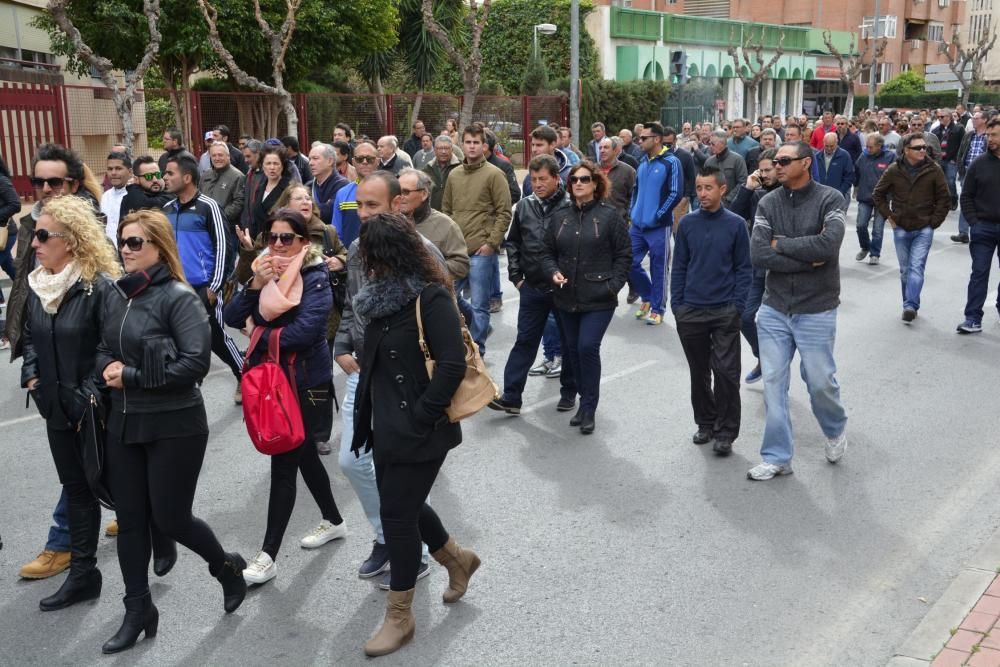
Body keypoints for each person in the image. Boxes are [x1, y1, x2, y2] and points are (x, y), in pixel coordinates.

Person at [97, 210, 247, 653]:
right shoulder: (117, 295)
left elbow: (194, 365)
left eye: (136, 242)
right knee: (131, 522)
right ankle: (138, 608)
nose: (126, 249)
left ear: (159, 248)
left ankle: (225, 567)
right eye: (123, 241)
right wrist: (106, 365)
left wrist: (134, 377)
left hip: (175, 423)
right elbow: (103, 346)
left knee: (171, 518)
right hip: (125, 421)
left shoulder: (180, 298)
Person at [348, 211, 479, 657]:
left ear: (387, 255)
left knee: (397, 517)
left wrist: (423, 417)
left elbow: (451, 365)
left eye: (370, 254)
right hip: (384, 425)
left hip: (423, 429)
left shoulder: (430, 298)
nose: (365, 261)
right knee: (403, 505)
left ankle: (399, 617)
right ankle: (458, 559)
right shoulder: (379, 301)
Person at [224, 208, 346, 585]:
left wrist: (258, 330)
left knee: (285, 457)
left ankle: (267, 555)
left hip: (310, 385)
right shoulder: (261, 269)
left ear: (303, 242)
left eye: (286, 238)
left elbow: (307, 331)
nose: (277, 245)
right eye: (271, 237)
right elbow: (230, 316)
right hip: (274, 382)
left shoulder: (315, 274)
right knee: (303, 451)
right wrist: (255, 287)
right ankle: (335, 521)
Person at [335, 172, 444, 587]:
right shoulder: (357, 250)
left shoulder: (423, 252)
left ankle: (413, 551)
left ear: (399, 204)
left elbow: (444, 320)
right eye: (359, 206)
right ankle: (387, 536)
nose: (362, 214)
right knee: (353, 461)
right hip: (363, 372)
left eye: (372, 206)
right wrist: (342, 347)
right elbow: (351, 306)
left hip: (406, 379)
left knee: (405, 471)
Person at [20, 196, 121, 613]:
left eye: (43, 236)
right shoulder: (39, 285)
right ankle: (84, 575)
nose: (34, 244)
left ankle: (162, 534)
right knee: (76, 489)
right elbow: (30, 337)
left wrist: (89, 392)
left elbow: (112, 344)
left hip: (96, 409)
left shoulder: (99, 287)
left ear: (72, 241)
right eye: (34, 235)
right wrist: (33, 377)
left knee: (119, 489)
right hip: (56, 408)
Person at [747, 141, 848, 481]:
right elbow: (759, 254)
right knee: (774, 382)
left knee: (820, 382)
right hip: (774, 308)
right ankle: (777, 457)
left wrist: (783, 245)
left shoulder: (830, 199)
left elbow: (828, 245)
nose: (776, 166)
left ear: (806, 163)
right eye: (774, 161)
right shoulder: (767, 202)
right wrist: (808, 262)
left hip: (816, 308)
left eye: (784, 161)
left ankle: (834, 429)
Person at [541, 161, 630, 434]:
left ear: (595, 183)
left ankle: (589, 406)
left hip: (599, 297)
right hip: (566, 296)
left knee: (586, 347)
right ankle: (582, 401)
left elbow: (624, 255)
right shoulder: (560, 216)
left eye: (584, 179)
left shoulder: (610, 216)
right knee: (572, 351)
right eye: (574, 180)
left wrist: (612, 286)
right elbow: (546, 252)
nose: (578, 183)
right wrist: (553, 272)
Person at [488, 154, 578, 416]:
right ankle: (511, 397)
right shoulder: (525, 206)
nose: (537, 184)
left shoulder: (571, 206)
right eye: (534, 179)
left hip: (563, 287)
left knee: (569, 341)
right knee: (525, 340)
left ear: (556, 179)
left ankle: (569, 392)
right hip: (532, 288)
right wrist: (517, 277)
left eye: (543, 179)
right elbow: (513, 242)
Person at [671, 167, 752, 457]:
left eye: (708, 188)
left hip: (724, 312)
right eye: (699, 188)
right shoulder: (688, 224)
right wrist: (677, 306)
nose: (702, 194)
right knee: (699, 371)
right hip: (691, 310)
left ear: (722, 189)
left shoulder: (736, 224)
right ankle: (705, 422)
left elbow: (744, 269)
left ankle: (726, 431)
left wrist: (737, 307)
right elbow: (679, 266)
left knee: (727, 373)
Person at [161, 154, 244, 400]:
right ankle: (188, 385)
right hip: (174, 288)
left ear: (187, 178)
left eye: (170, 173)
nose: (165, 177)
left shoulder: (209, 207)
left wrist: (214, 286)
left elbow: (224, 246)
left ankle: (244, 372)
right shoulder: (166, 210)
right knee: (177, 338)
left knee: (216, 337)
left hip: (203, 287)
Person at [441, 124, 512, 356]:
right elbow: (446, 211)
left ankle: (477, 349)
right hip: (457, 251)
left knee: (481, 304)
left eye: (476, 142)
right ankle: (479, 331)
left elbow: (504, 212)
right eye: (468, 142)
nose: (472, 146)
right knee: (446, 297)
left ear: (484, 146)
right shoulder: (454, 174)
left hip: (482, 250)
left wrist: (491, 244)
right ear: (461, 144)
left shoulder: (494, 174)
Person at [870, 132, 950, 324]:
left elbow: (944, 198)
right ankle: (909, 302)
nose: (923, 150)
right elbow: (878, 194)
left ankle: (910, 306)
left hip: (924, 228)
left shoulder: (934, 169)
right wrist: (889, 215)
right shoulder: (893, 170)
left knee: (916, 267)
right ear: (906, 151)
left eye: (924, 147)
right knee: (905, 270)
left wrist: (934, 222)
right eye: (918, 148)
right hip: (901, 227)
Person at [730, 147, 779, 384]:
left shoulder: (788, 193)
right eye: (761, 170)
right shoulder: (756, 191)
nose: (764, 174)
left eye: (768, 170)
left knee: (775, 325)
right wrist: (748, 188)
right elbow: (734, 216)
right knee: (744, 316)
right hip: (757, 266)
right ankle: (764, 358)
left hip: (782, 270)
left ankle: (778, 373)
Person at [630, 122, 683, 326]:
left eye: (644, 138)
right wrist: (632, 212)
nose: (640, 141)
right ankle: (647, 295)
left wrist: (660, 215)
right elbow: (636, 190)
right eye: (639, 138)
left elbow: (675, 192)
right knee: (627, 262)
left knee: (658, 267)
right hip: (636, 225)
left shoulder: (671, 162)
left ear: (657, 139)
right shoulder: (642, 162)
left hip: (658, 226)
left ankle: (657, 308)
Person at [955, 117, 1000, 334]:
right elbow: (966, 196)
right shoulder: (979, 163)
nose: (989, 139)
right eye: (989, 135)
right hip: (983, 228)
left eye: (994, 135)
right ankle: (972, 318)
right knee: (979, 273)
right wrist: (974, 222)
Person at [398, 168, 469, 281]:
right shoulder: (389, 223)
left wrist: (426, 269)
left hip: (433, 294)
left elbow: (461, 265)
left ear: (424, 194)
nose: (400, 197)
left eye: (406, 192)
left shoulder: (446, 225)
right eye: (397, 192)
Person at [853, 133, 895, 265]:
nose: (868, 149)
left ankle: (875, 254)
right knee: (860, 225)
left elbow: (896, 177)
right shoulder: (863, 155)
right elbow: (857, 171)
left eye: (870, 147)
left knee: (877, 229)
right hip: (865, 196)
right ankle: (865, 247)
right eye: (867, 146)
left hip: (882, 199)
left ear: (879, 146)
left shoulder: (890, 157)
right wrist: (856, 187)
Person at [333, 140, 380, 248]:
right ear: (353, 162)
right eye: (360, 159)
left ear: (378, 161)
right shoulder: (342, 193)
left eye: (370, 159)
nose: (364, 162)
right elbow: (336, 234)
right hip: (350, 258)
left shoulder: (388, 191)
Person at [953, 111, 989, 243]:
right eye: (973, 118)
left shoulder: (989, 136)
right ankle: (963, 232)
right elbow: (961, 152)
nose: (973, 120)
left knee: (981, 202)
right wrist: (960, 168)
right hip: (967, 172)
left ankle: (980, 230)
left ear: (984, 120)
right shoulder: (969, 135)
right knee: (965, 201)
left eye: (976, 118)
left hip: (983, 173)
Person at [250, 144, 293, 238]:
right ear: (262, 166)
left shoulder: (289, 189)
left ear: (282, 166)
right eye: (268, 163)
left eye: (276, 163)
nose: (272, 167)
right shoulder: (259, 188)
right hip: (259, 240)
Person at [306, 142, 348, 225]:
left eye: (315, 158)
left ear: (330, 161)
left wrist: (307, 208)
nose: (310, 163)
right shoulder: (308, 186)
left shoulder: (342, 185)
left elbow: (329, 213)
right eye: (310, 159)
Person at [705, 130, 747, 211]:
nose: (710, 146)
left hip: (732, 205)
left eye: (712, 144)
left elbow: (742, 182)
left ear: (722, 143)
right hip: (711, 204)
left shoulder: (737, 159)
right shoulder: (709, 161)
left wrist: (728, 199)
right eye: (709, 143)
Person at [932, 107, 964, 210]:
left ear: (949, 117)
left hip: (951, 160)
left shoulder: (959, 129)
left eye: (942, 116)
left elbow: (962, 145)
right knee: (938, 182)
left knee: (950, 181)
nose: (940, 118)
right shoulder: (936, 130)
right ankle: (940, 201)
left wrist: (956, 159)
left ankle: (953, 199)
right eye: (938, 117)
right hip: (939, 160)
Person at [119, 156, 171, 220]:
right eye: (148, 176)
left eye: (157, 175)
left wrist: (132, 188)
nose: (155, 180)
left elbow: (150, 204)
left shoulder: (170, 194)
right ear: (136, 179)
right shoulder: (129, 198)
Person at [812, 132, 854, 205]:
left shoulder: (845, 156)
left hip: (838, 196)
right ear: (823, 143)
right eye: (826, 146)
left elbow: (849, 176)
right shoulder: (817, 156)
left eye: (832, 146)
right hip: (821, 197)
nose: (829, 148)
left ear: (836, 143)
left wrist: (841, 192)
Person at [423, 135, 461, 211]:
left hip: (455, 213)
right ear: (435, 150)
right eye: (440, 148)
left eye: (446, 148)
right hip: (434, 214)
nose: (443, 152)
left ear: (452, 149)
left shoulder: (461, 167)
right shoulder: (427, 169)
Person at [100, 151, 131, 242]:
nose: (113, 173)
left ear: (130, 172)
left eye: (118, 168)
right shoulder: (104, 197)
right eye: (110, 169)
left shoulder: (137, 196)